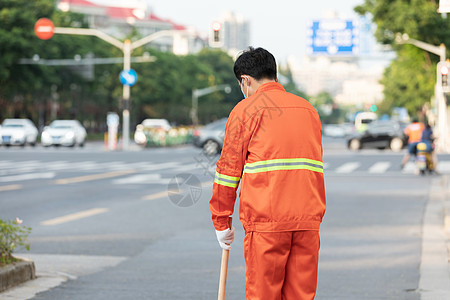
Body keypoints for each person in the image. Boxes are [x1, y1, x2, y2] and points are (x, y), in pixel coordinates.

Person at [209, 47, 326, 299]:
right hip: (307, 223)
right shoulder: (308, 110)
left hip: (267, 224)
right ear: (274, 75)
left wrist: (221, 221)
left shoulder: (246, 110)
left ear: (245, 81)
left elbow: (228, 172)